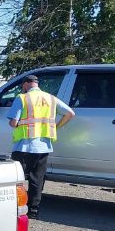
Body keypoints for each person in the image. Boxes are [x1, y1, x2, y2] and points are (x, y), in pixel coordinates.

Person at [7, 74, 75, 219]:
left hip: (23, 146)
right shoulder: (51, 99)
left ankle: (16, 208)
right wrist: (55, 127)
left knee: (17, 179)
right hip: (43, 147)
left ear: (26, 84)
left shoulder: (22, 98)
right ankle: (33, 211)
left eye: (22, 86)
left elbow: (13, 123)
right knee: (37, 179)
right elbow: (70, 113)